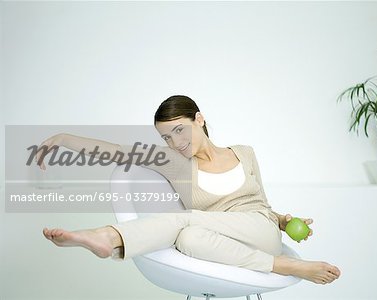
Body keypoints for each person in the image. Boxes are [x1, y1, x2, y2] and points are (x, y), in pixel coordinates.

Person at [40, 95, 341, 285]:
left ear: (199, 118)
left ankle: (110, 237)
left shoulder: (244, 153)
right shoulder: (176, 163)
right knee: (189, 237)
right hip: (226, 244)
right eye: (166, 137)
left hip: (261, 230)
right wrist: (64, 139)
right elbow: (118, 152)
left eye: (179, 130)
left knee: (185, 220)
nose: (175, 142)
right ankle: (285, 266)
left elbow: (263, 205)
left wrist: (285, 222)